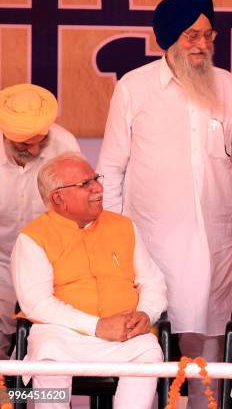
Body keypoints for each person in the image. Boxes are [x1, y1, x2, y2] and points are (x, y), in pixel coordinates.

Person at [96, 0, 232, 405]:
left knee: (207, 343)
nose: (203, 45)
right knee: (148, 344)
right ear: (170, 40)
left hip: (218, 243)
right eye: (192, 36)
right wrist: (113, 240)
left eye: (209, 35)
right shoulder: (134, 88)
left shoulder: (227, 86)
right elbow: (111, 169)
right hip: (150, 243)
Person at [11, 152, 167, 409]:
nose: (98, 188)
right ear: (58, 198)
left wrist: (146, 313)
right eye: (86, 184)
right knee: (48, 356)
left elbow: (152, 282)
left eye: (96, 179)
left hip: (125, 333)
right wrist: (97, 326)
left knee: (149, 352)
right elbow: (37, 303)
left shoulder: (124, 227)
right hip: (62, 334)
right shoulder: (32, 238)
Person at [0, 83, 80, 359]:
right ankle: (5, 398)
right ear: (6, 136)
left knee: (49, 339)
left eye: (40, 141)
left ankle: (47, 399)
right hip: (1, 259)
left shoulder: (64, 144)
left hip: (51, 261)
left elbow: (76, 213)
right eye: (24, 144)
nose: (34, 151)